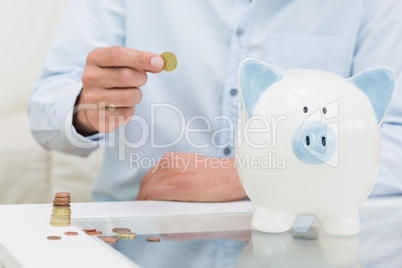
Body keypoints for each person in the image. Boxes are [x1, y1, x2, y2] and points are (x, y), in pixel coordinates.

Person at [29, 0, 402, 202]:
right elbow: (46, 110)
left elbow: (395, 135)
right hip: (138, 227)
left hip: (306, 234)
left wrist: (248, 174)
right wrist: (86, 108)